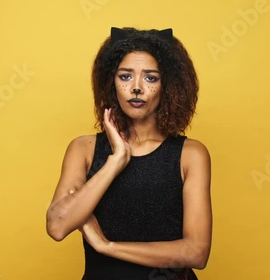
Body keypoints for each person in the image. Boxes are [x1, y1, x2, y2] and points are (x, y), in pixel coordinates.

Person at [46, 27, 212, 280]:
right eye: (125, 77)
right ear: (110, 83)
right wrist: (116, 160)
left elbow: (196, 252)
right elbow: (57, 226)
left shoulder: (190, 155)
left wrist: (107, 246)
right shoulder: (84, 149)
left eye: (150, 78)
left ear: (168, 86)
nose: (136, 88)